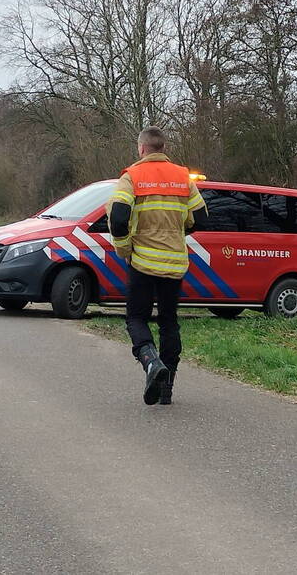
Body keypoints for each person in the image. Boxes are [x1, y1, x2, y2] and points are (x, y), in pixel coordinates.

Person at [106, 127, 207, 405]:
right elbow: (200, 219)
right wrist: (178, 231)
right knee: (168, 322)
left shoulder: (132, 177)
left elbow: (117, 217)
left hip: (142, 262)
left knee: (136, 318)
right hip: (174, 263)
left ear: (141, 149)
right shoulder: (183, 178)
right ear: (163, 148)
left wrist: (124, 248)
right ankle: (167, 389)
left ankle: (151, 362)